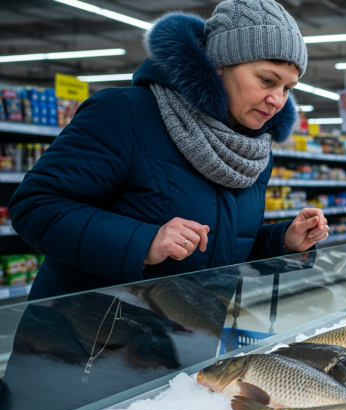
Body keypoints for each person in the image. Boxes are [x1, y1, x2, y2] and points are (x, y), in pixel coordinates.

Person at [8, 0, 329, 300]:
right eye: (266, 80)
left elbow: (221, 248)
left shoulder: (253, 150)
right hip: (82, 340)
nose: (278, 100)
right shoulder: (126, 113)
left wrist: (283, 241)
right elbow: (35, 207)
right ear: (219, 66)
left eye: (287, 88)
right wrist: (144, 242)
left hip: (183, 345)